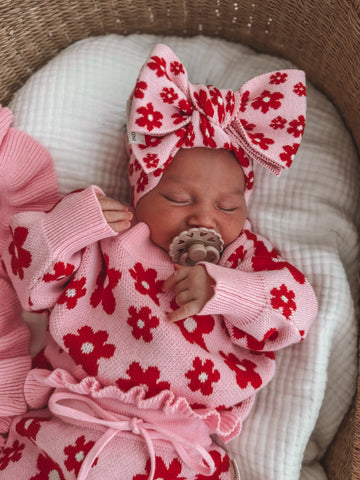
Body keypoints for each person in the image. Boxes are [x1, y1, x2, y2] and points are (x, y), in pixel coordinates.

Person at [0, 44, 317, 480]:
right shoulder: (109, 233)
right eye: (177, 198)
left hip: (176, 451)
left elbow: (296, 311)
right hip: (73, 424)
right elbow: (28, 282)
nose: (204, 217)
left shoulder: (244, 258)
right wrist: (70, 226)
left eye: (228, 207)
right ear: (140, 191)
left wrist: (229, 291)